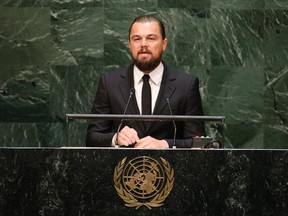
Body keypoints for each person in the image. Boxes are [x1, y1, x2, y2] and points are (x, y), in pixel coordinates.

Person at [86, 15, 206, 148]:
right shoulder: (109, 83)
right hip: (122, 167)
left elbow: (198, 143)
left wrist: (165, 144)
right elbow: (92, 136)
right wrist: (116, 138)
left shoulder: (186, 85)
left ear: (164, 44)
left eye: (151, 38)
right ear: (129, 45)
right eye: (137, 39)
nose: (143, 44)